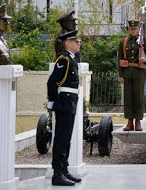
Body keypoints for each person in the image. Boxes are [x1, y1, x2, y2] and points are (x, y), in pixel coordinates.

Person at [47, 30, 82, 186]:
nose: (79, 43)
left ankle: (64, 170)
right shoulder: (64, 60)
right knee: (61, 139)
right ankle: (57, 174)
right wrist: (53, 101)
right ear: (67, 43)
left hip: (71, 101)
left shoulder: (72, 59)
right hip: (64, 102)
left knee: (66, 139)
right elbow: (52, 82)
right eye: (76, 41)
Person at [118, 19, 146, 131]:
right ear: (129, 29)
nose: (133, 31)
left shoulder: (143, 41)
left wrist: (144, 58)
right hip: (127, 73)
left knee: (138, 98)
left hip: (139, 73)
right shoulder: (123, 41)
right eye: (131, 29)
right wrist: (121, 74)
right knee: (128, 98)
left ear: (138, 29)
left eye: (135, 29)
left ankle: (138, 121)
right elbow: (120, 58)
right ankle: (129, 121)